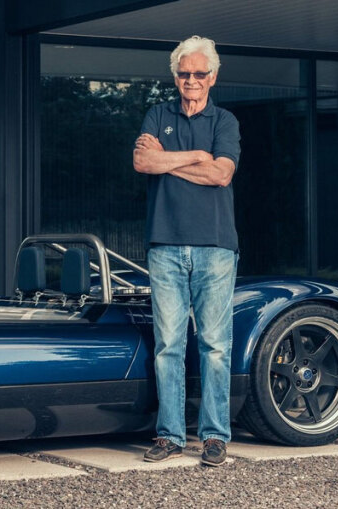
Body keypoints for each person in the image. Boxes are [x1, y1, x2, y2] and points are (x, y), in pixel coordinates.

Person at [132, 36, 241, 467]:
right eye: (184, 73)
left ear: (212, 76)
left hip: (215, 248)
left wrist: (172, 158)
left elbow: (221, 174)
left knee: (215, 345)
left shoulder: (225, 121)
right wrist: (196, 155)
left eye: (199, 74)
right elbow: (143, 163)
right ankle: (171, 436)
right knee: (169, 346)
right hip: (165, 246)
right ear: (175, 76)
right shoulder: (158, 113)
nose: (191, 80)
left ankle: (214, 436)